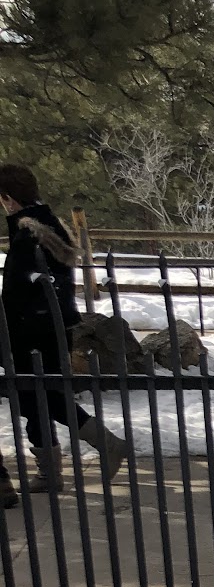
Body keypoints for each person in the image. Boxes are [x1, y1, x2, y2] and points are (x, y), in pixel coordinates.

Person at [0, 161, 126, 501]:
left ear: (9, 199)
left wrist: (8, 332)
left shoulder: (29, 233)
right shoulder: (47, 223)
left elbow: (20, 290)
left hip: (31, 329)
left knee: (41, 395)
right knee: (38, 398)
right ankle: (51, 473)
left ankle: (106, 444)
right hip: (52, 326)